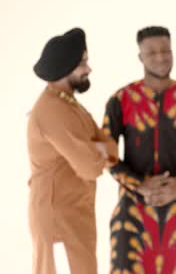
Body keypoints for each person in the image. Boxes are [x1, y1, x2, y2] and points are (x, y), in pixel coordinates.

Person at [102, 26, 176, 273]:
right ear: (140, 57)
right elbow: (105, 154)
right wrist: (138, 185)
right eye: (152, 53)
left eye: (166, 51)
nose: (161, 57)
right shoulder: (121, 99)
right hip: (133, 210)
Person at [27, 27, 118, 274]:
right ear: (65, 67)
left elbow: (110, 151)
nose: (89, 69)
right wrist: (96, 150)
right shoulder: (52, 111)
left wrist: (95, 149)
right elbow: (90, 167)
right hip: (59, 222)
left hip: (77, 217)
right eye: (83, 63)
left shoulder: (69, 104)